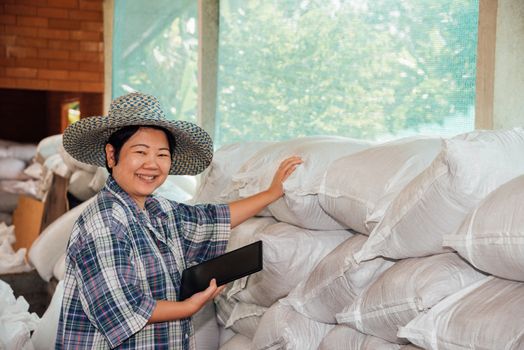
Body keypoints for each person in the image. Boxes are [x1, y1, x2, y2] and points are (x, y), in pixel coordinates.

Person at [55, 92, 302, 349]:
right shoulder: (104, 222)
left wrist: (270, 194)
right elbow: (120, 307)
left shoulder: (159, 210)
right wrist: (187, 307)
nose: (152, 164)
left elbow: (212, 219)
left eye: (162, 155)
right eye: (140, 152)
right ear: (111, 155)